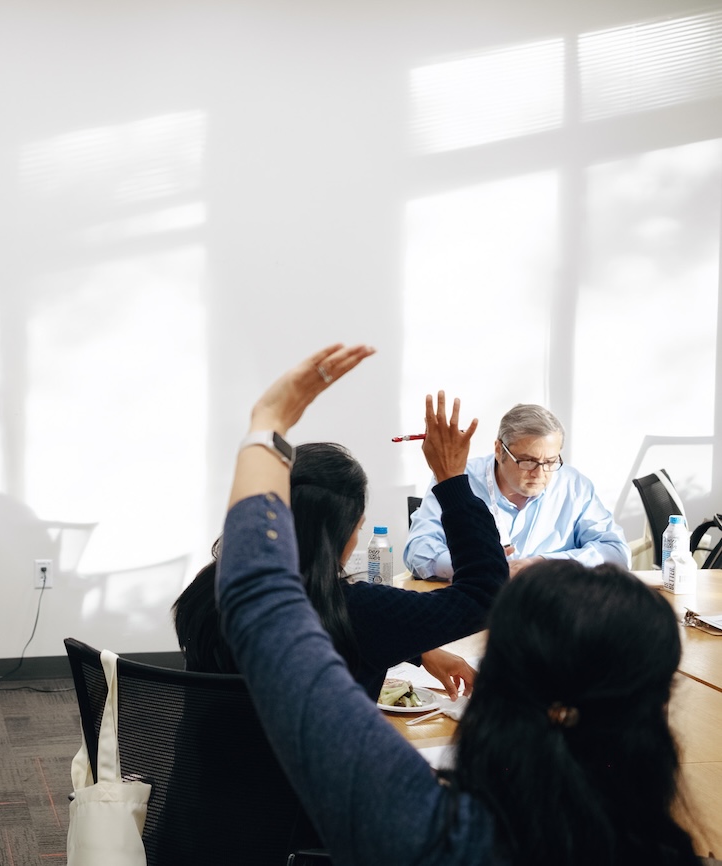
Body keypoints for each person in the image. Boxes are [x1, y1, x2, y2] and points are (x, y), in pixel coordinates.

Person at [216, 344, 698, 865]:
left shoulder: (424, 829)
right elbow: (462, 583)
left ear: (504, 684)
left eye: (550, 461)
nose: (541, 469)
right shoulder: (672, 848)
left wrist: (265, 427)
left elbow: (263, 603)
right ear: (657, 713)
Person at [174, 431, 507, 702]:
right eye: (359, 526)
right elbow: (485, 593)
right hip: (308, 786)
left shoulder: (209, 589)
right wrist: (451, 480)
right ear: (336, 536)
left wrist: (419, 649)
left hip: (200, 782)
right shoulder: (353, 610)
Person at [405, 402, 629, 579]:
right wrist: (480, 565)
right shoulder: (455, 478)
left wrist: (543, 564)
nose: (540, 473)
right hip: (479, 608)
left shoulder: (573, 485)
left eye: (550, 461)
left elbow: (615, 552)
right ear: (498, 450)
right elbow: (418, 550)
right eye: (527, 461)